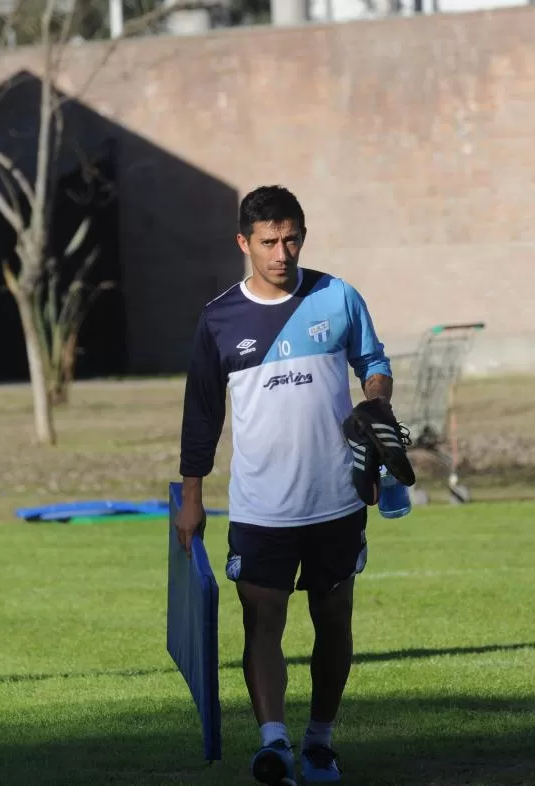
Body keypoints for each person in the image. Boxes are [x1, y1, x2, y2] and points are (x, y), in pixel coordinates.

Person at [176, 185, 410, 784]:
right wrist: (193, 497)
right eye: (269, 242)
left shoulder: (338, 296)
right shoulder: (219, 318)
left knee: (334, 620)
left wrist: (376, 403)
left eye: (292, 239)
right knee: (263, 624)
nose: (282, 253)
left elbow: (375, 364)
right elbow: (202, 414)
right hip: (260, 507)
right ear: (244, 243)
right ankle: (274, 743)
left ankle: (320, 743)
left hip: (336, 498)